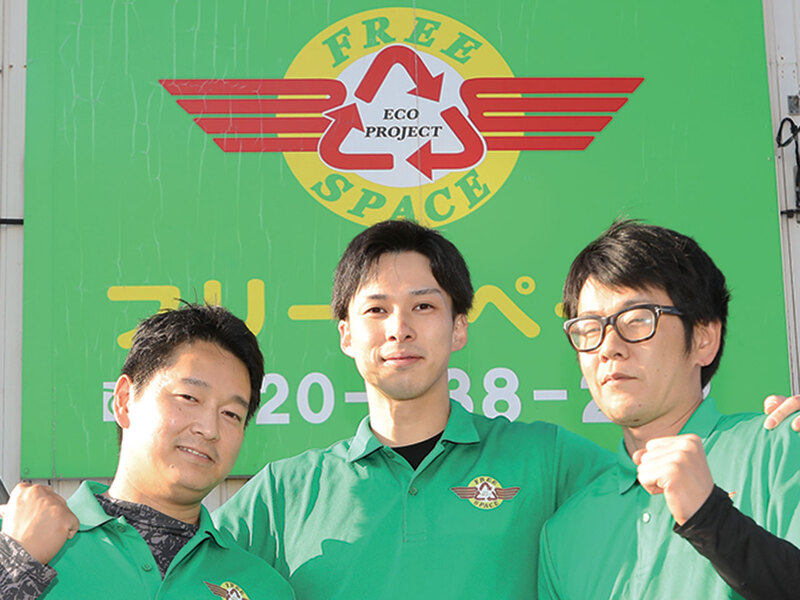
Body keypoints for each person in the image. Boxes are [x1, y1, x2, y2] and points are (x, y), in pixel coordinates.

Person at [213, 220, 615, 599]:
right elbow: (186, 567)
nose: (399, 329)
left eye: (423, 306)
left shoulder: (546, 459)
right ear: (346, 335)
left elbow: (644, 522)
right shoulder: (286, 492)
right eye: (377, 309)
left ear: (459, 328)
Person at [538, 221, 800, 599]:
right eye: (590, 328)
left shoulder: (782, 448)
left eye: (637, 320)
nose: (609, 347)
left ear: (704, 339)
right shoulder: (564, 531)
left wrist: (711, 517)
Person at [0, 304, 295, 600]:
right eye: (189, 397)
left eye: (231, 414)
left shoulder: (264, 588)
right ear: (124, 401)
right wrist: (16, 561)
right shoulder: (17, 538)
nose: (209, 429)